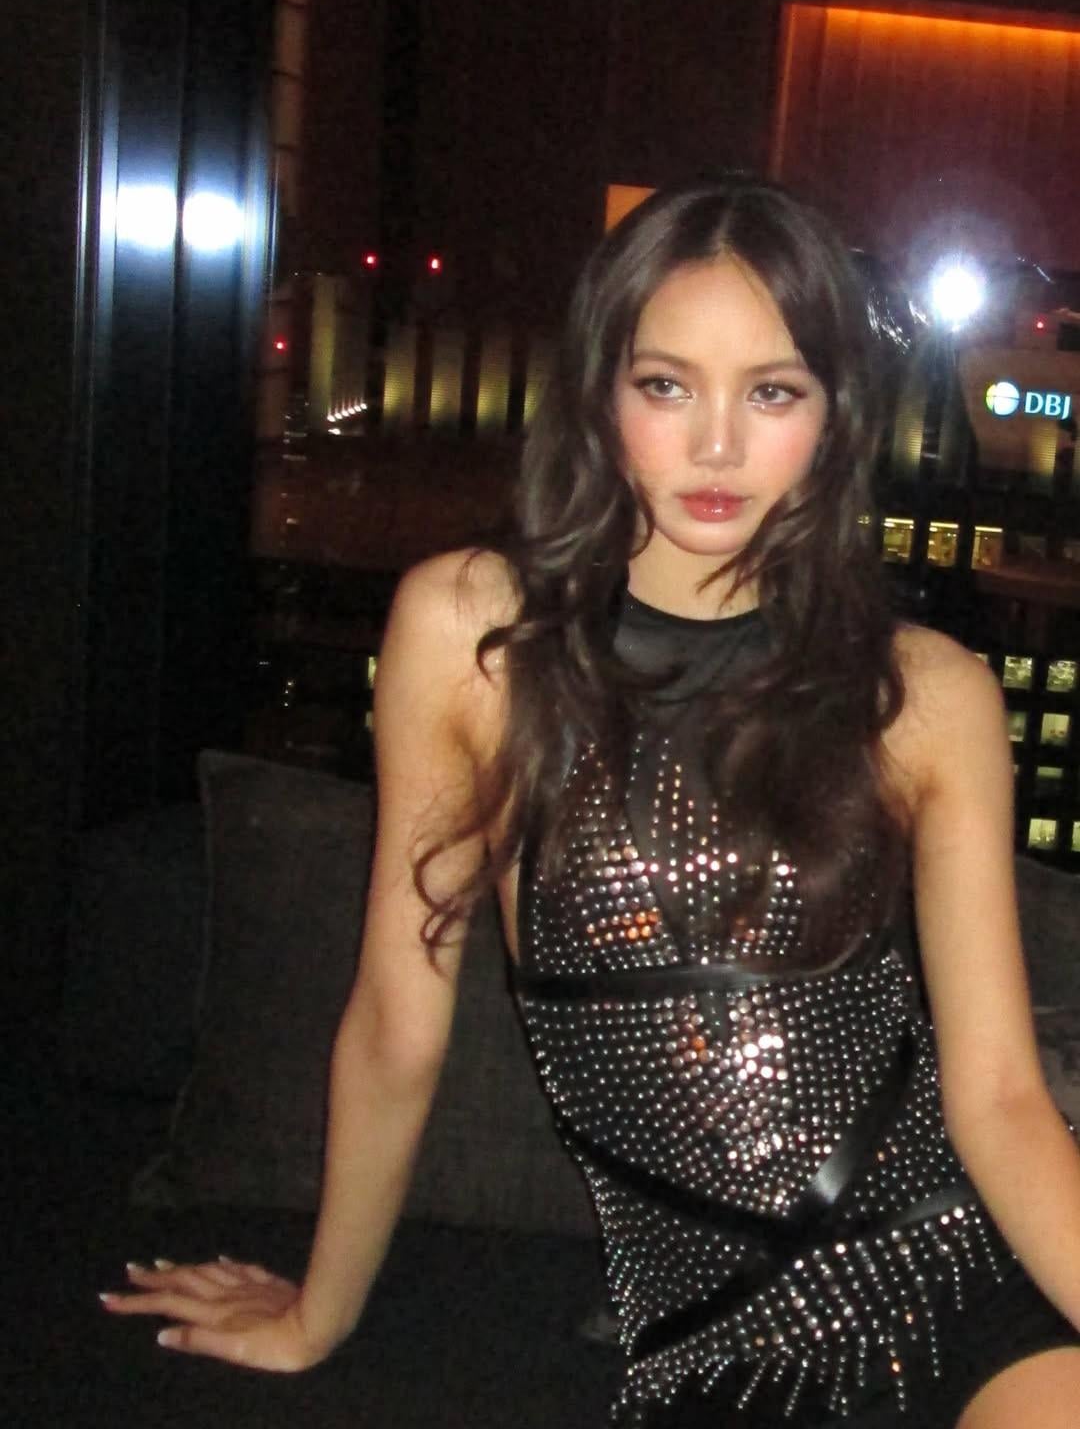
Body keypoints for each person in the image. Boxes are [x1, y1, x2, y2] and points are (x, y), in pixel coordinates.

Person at [101, 176, 1080, 1427]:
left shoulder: (925, 695)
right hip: (711, 1335)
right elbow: (398, 1020)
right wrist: (316, 1315)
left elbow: (999, 1100)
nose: (716, 446)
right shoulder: (472, 635)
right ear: (602, 393)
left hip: (958, 1269)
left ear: (834, 415)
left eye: (772, 392)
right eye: (666, 385)